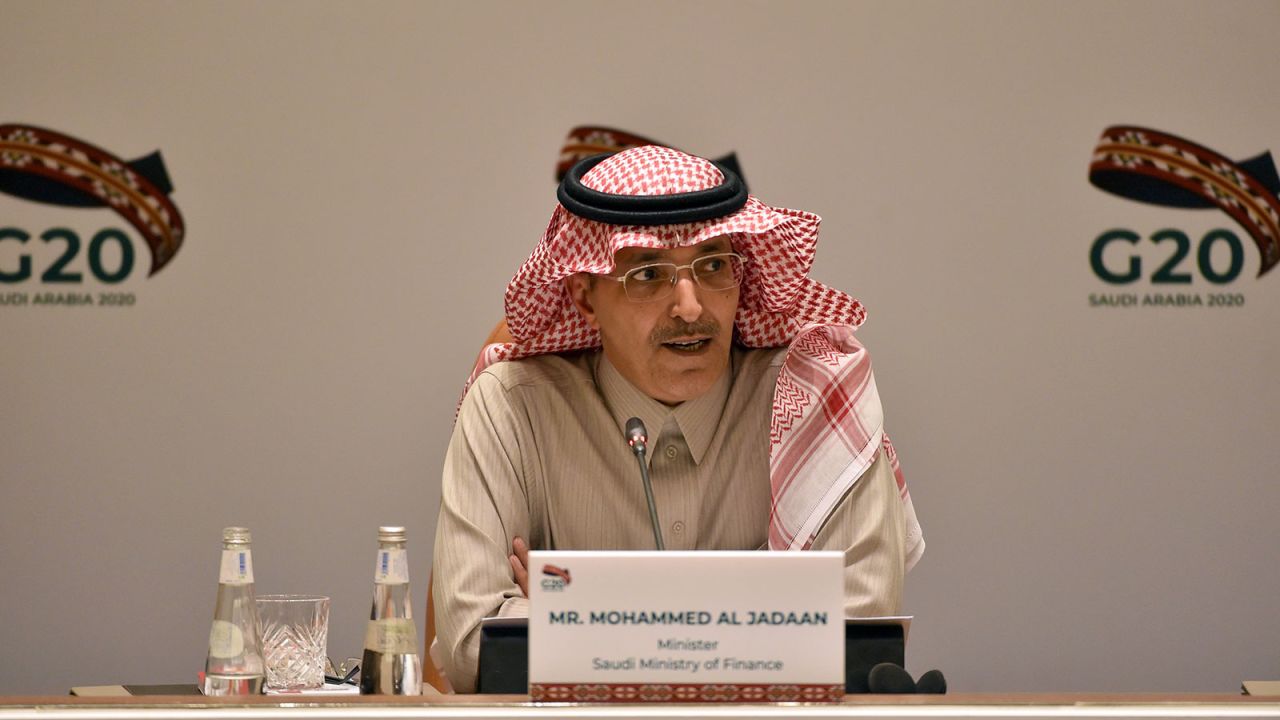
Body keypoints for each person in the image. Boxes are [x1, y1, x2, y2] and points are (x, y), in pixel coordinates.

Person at [432, 145, 924, 693]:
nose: (691, 307)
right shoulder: (511, 408)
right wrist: (761, 615)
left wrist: (583, 611)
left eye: (713, 266)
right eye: (647, 274)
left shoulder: (821, 399)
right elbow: (477, 648)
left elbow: (856, 640)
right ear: (584, 295)